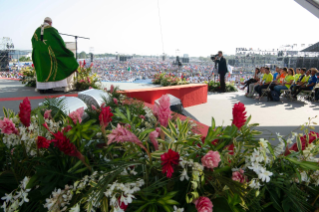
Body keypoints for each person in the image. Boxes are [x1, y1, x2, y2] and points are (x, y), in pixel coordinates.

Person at [31, 17, 79, 93]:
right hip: (49, 53)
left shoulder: (37, 30)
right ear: (50, 23)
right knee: (54, 65)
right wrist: (63, 49)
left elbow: (33, 40)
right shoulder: (51, 30)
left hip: (39, 55)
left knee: (43, 69)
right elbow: (60, 42)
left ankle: (42, 88)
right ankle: (50, 88)